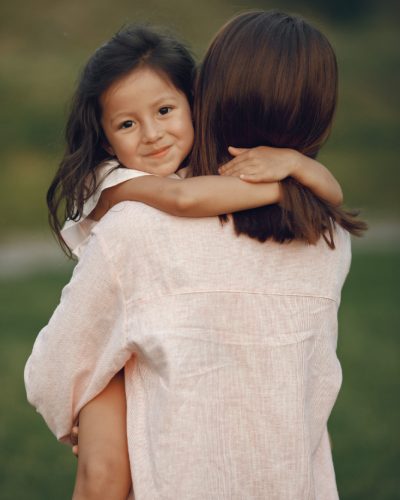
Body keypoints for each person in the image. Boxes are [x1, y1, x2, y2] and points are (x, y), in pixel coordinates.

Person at [25, 11, 366, 500]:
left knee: (101, 475)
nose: (152, 134)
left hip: (164, 457)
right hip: (293, 484)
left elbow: (57, 372)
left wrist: (85, 409)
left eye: (165, 111)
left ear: (200, 97)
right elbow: (190, 199)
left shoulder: (139, 228)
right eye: (127, 123)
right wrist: (292, 182)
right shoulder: (329, 238)